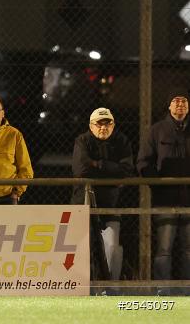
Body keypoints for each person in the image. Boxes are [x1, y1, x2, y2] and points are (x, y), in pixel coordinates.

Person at [71, 107, 134, 281]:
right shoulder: (82, 140)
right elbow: (80, 170)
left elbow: (127, 171)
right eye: (99, 124)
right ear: (91, 125)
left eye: (108, 124)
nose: (103, 128)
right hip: (83, 205)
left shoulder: (121, 141)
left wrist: (97, 165)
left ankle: (110, 287)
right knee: (83, 247)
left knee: (112, 247)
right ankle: (83, 286)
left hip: (110, 205)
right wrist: (111, 169)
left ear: (113, 125)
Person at [138, 91, 190, 287]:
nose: (180, 105)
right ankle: (163, 290)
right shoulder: (156, 131)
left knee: (188, 250)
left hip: (188, 200)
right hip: (165, 200)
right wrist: (157, 185)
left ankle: (187, 292)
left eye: (184, 102)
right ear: (169, 107)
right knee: (164, 249)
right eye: (176, 102)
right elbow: (144, 162)